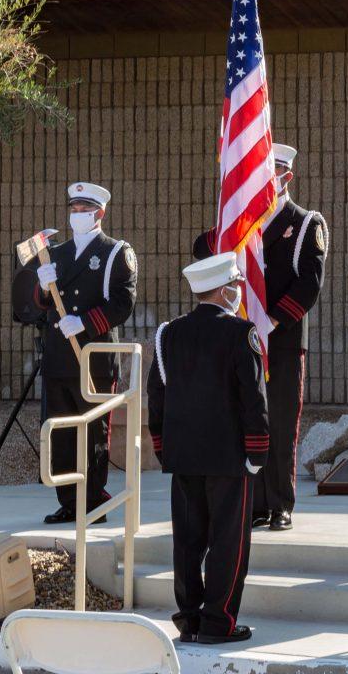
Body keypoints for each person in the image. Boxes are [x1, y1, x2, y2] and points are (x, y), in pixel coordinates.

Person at [194, 143, 327, 532]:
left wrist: (271, 320)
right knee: (244, 421)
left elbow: (309, 284)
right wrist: (227, 217)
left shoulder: (305, 224)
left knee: (281, 424)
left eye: (273, 173)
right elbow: (203, 250)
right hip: (240, 341)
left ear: (287, 176)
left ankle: (280, 504)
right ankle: (253, 502)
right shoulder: (239, 223)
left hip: (281, 339)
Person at [147, 252, 269, 645]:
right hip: (229, 457)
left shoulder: (169, 334)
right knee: (228, 542)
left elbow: (157, 396)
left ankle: (189, 620)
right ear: (225, 289)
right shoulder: (240, 333)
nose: (238, 290)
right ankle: (219, 623)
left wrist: (164, 448)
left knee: (187, 540)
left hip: (183, 456)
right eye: (235, 284)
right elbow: (253, 400)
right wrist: (258, 453)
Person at [33, 183, 137, 525]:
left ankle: (93, 502)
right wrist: (42, 286)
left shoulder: (115, 252)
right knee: (61, 431)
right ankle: (68, 501)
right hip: (59, 356)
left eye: (84, 209)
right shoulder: (57, 254)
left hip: (91, 355)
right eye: (74, 208)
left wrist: (86, 322)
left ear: (100, 213)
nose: (77, 214)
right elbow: (42, 303)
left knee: (92, 432)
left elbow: (123, 301)